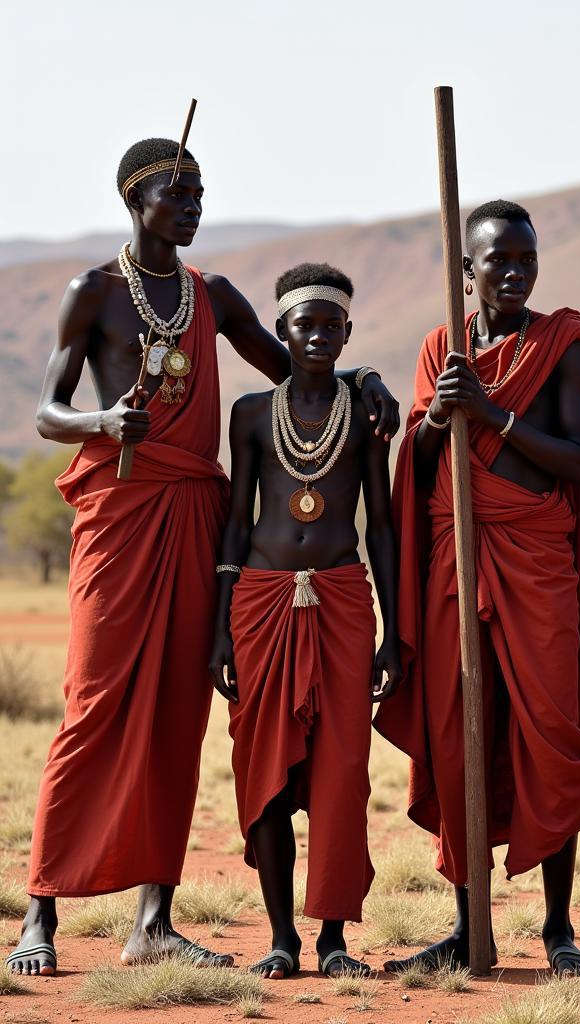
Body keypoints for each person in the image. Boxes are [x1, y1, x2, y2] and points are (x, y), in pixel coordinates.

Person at [6, 138, 399, 977]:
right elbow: (47, 409)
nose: (192, 204)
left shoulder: (211, 295)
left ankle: (153, 921)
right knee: (93, 702)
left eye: (199, 192)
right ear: (133, 199)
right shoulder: (95, 293)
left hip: (196, 513)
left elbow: (294, 359)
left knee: (178, 717)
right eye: (176, 192)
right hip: (119, 513)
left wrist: (362, 375)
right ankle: (39, 909)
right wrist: (102, 423)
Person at [374, 200, 580, 976]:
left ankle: (560, 929)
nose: (512, 273)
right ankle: (470, 926)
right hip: (455, 561)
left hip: (537, 562)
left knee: (550, 734)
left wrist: (494, 414)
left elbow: (579, 460)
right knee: (458, 735)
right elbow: (415, 456)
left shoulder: (563, 343)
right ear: (466, 271)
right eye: (497, 261)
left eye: (525, 261)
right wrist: (440, 418)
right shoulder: (443, 344)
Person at [210, 263, 401, 979]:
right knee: (265, 766)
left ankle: (333, 941)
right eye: (303, 325)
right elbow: (235, 523)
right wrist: (219, 627)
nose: (317, 335)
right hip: (259, 601)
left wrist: (394, 631)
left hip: (345, 600)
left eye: (330, 326)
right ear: (281, 331)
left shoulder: (367, 412)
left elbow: (379, 527)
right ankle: (283, 938)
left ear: (348, 332)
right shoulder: (254, 414)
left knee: (342, 772)